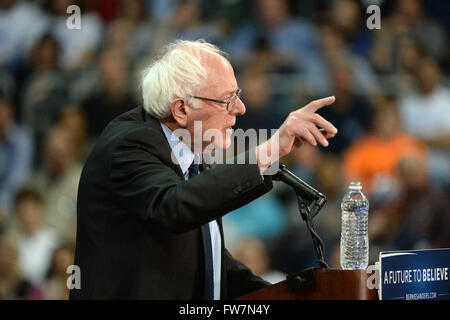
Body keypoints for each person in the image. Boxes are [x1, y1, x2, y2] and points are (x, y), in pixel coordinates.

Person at [70, 40, 337, 300]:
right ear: (182, 109)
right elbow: (174, 205)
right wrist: (270, 150)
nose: (240, 108)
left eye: (238, 95)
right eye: (226, 99)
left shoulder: (189, 154)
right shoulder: (129, 145)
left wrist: (290, 296)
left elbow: (213, 267)